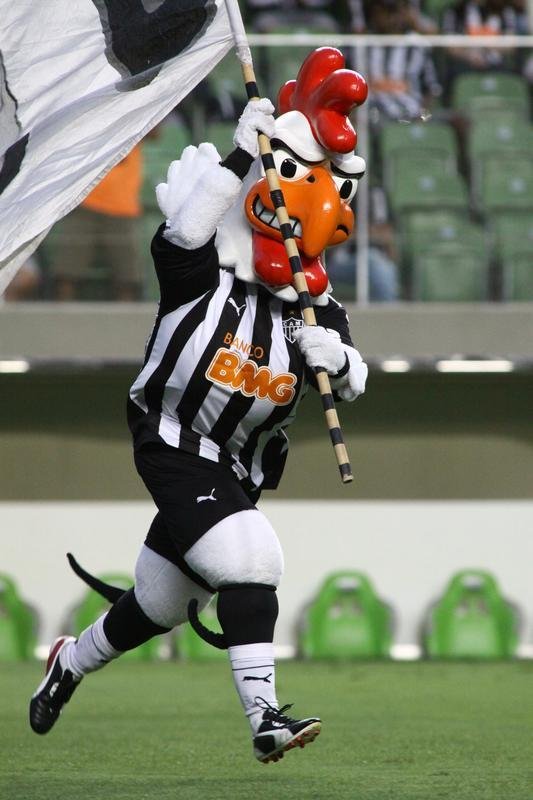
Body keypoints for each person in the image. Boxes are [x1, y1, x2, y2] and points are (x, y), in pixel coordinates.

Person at [29, 48, 369, 764]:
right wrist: (239, 155)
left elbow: (352, 376)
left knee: (155, 600)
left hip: (240, 464)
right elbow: (178, 233)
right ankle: (264, 718)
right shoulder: (203, 267)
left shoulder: (316, 301)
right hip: (176, 438)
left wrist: (337, 360)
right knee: (251, 556)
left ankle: (68, 662)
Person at [50, 145, 144, 301]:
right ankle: (63, 320)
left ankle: (124, 321)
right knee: (66, 273)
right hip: (83, 203)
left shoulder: (131, 120)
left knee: (128, 278)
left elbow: (155, 132)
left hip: (122, 208)